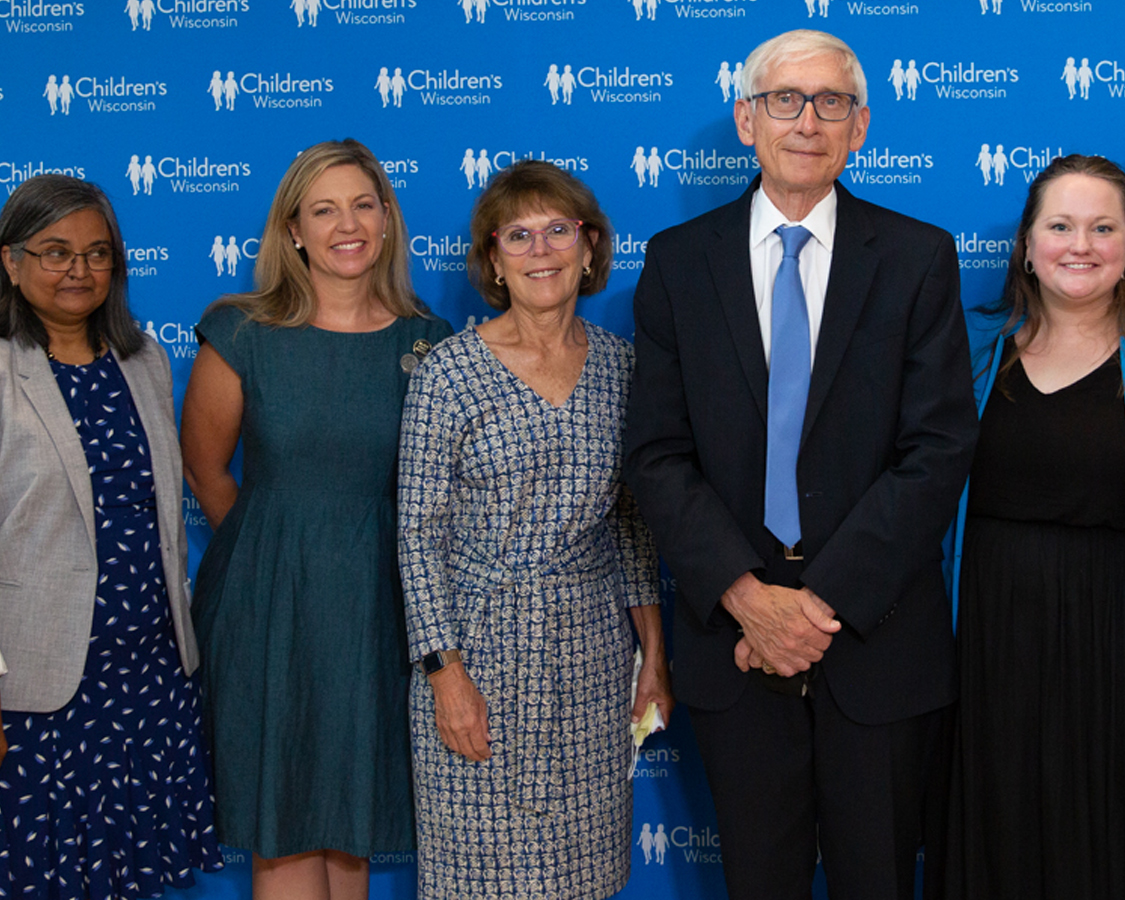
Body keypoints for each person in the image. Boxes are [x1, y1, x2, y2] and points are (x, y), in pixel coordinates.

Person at [625, 29, 978, 899]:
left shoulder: (915, 256)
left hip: (878, 639)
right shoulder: (679, 262)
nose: (808, 120)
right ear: (747, 119)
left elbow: (937, 448)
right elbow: (657, 454)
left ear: (860, 127)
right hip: (733, 649)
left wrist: (815, 610)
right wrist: (750, 601)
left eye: (832, 103)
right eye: (786, 99)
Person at [0, 174, 221, 897]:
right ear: (10, 262)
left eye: (98, 253)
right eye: (56, 251)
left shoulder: (144, 363)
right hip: (14, 691)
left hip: (139, 684)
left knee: (114, 876)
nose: (80, 270)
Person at [945, 155, 1125, 898]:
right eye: (1061, 226)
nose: (1081, 245)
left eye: (1104, 227)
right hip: (995, 632)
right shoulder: (967, 350)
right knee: (1008, 829)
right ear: (1026, 245)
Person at [397, 160, 672, 900]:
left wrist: (654, 656)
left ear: (589, 250)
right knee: (478, 879)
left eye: (559, 231)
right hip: (477, 652)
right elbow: (418, 535)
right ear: (492, 258)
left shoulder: (625, 369)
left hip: (592, 657)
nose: (541, 250)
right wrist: (446, 675)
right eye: (518, 235)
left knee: (582, 874)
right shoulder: (447, 373)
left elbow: (633, 529)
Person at [183, 138, 449, 900]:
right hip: (270, 605)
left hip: (381, 609)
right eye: (324, 210)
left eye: (364, 204)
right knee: (286, 824)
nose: (347, 224)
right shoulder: (241, 332)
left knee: (351, 826)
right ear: (293, 230)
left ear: (389, 220)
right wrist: (280, 549)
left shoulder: (428, 343)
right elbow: (205, 469)